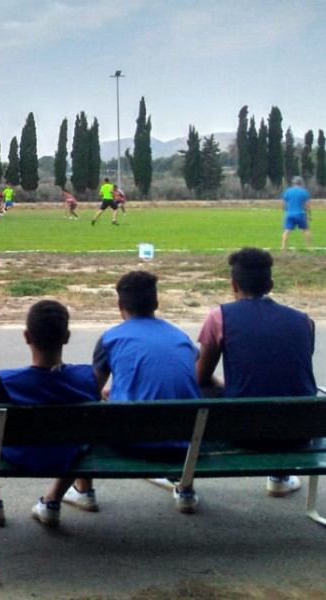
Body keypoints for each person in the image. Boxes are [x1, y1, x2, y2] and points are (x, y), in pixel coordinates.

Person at [0, 300, 100, 528]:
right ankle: (52, 502)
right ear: (66, 336)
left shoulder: (6, 381)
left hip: (19, 454)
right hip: (66, 455)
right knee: (79, 433)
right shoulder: (87, 378)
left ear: (27, 337)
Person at [196, 247, 316, 497]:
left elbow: (201, 377)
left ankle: (185, 486)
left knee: (196, 390)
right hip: (298, 432)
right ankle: (280, 475)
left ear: (233, 285)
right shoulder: (303, 320)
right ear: (271, 285)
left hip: (243, 431)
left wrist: (223, 385)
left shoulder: (219, 317)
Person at [89, 271, 202, 513]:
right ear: (156, 304)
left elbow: (90, 391)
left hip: (132, 441)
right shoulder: (180, 337)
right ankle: (185, 489)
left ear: (120, 305)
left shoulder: (110, 338)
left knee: (87, 414)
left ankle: (83, 490)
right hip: (184, 445)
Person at [280, 176, 313, 251]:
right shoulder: (304, 192)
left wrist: (285, 210)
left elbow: (283, 203)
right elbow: (307, 205)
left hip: (289, 214)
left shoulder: (287, 191)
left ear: (293, 183)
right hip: (300, 213)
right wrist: (309, 215)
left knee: (287, 231)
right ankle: (310, 247)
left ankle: (283, 247)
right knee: (306, 229)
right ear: (301, 183)